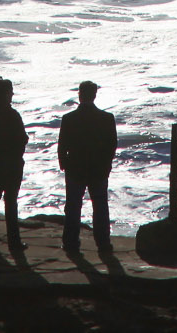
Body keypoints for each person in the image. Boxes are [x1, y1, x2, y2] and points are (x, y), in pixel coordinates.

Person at [57, 81, 118, 252]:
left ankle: (70, 243)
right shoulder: (106, 118)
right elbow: (111, 145)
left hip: (75, 169)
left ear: (79, 95)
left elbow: (63, 145)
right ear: (94, 95)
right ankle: (103, 243)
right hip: (98, 169)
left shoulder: (69, 118)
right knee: (100, 207)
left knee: (73, 207)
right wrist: (107, 165)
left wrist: (64, 164)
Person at [0, 77, 27, 248]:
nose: (13, 94)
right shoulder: (12, 114)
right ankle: (13, 241)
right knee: (10, 201)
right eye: (10, 91)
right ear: (6, 94)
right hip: (12, 162)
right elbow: (21, 138)